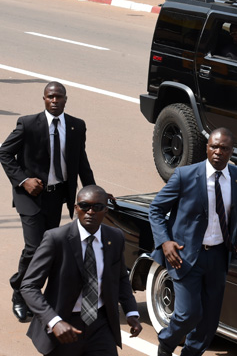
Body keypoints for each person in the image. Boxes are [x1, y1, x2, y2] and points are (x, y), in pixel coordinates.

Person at [149, 128, 237, 356]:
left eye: (224, 148)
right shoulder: (185, 175)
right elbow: (157, 209)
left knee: (209, 323)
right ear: (207, 147)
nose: (218, 152)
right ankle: (166, 344)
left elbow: (231, 216)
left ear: (232, 151)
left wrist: (236, 242)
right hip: (185, 256)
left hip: (218, 257)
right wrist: (165, 242)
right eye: (214, 147)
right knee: (188, 314)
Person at [0, 81, 96, 323]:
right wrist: (23, 180)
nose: (54, 101)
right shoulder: (29, 124)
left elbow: (80, 160)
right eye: (50, 97)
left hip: (56, 197)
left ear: (66, 99)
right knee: (34, 248)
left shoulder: (76, 126)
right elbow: (4, 153)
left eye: (59, 97)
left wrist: (94, 190)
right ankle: (20, 294)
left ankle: (40, 295)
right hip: (30, 196)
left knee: (50, 249)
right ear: (43, 99)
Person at [20, 185, 142, 355]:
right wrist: (54, 321)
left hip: (101, 324)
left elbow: (121, 277)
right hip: (65, 325)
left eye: (97, 207)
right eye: (85, 206)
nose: (90, 211)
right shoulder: (56, 239)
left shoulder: (115, 237)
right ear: (76, 208)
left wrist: (131, 311)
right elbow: (28, 286)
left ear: (105, 210)